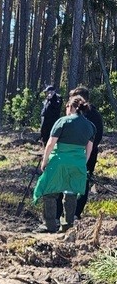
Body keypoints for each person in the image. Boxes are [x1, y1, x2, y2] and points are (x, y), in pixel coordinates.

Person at [32, 95, 95, 233]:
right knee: (71, 193)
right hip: (78, 163)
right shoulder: (90, 126)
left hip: (59, 160)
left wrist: (45, 161)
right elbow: (88, 150)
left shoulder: (63, 121)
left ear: (71, 107)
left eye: (67, 106)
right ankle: (67, 225)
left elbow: (50, 143)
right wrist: (81, 164)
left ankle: (49, 225)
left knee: (49, 192)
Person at [70, 86, 104, 220]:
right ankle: (67, 212)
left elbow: (97, 135)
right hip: (74, 153)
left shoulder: (92, 114)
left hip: (86, 155)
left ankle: (76, 212)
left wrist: (86, 151)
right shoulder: (75, 113)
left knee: (83, 182)